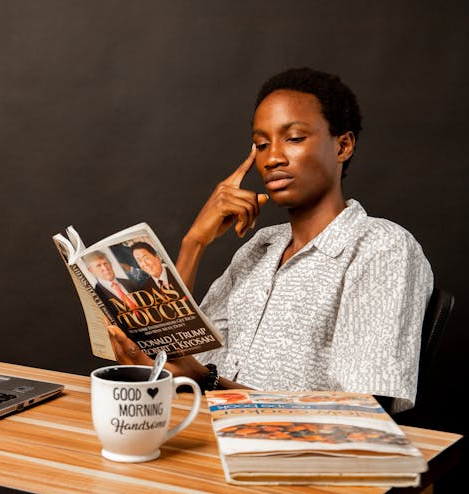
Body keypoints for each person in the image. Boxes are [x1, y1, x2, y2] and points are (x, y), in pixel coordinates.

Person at [108, 67, 433, 414]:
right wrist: (193, 243)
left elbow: (365, 410)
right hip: (207, 434)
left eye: (293, 138)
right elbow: (177, 359)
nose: (273, 157)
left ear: (343, 146)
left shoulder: (380, 247)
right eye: (261, 144)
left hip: (299, 459)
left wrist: (208, 382)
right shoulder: (260, 248)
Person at [83, 250, 142, 319]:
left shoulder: (131, 283)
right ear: (91, 270)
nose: (105, 268)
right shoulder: (95, 295)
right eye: (99, 265)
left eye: (105, 263)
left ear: (110, 264)